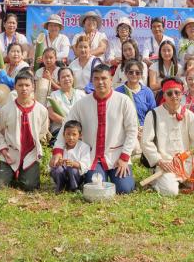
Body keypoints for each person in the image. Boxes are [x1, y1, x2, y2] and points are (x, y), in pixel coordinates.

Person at [53, 65, 139, 194]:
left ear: (111, 79)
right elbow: (66, 126)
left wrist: (124, 157)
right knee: (95, 187)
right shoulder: (82, 104)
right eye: (96, 78)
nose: (100, 82)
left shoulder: (124, 101)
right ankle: (79, 177)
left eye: (104, 78)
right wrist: (58, 151)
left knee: (124, 189)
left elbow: (132, 131)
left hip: (117, 155)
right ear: (92, 81)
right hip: (92, 158)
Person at [140, 78, 194, 197]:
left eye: (177, 92)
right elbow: (146, 142)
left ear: (182, 94)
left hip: (187, 161)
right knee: (171, 192)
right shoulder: (153, 115)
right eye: (169, 93)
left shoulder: (189, 114)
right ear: (164, 95)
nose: (174, 96)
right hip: (167, 164)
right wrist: (159, 161)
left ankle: (185, 182)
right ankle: (158, 182)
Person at [0, 72, 49, 192]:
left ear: (33, 87)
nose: (24, 88)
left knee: (29, 186)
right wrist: (3, 148)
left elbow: (43, 131)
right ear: (15, 87)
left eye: (27, 85)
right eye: (20, 85)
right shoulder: (6, 110)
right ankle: (12, 173)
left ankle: (23, 174)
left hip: (31, 154)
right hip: (10, 152)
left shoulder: (41, 110)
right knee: (0, 184)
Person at [50, 120, 90, 193]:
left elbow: (86, 164)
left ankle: (74, 187)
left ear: (80, 135)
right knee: (58, 170)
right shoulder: (60, 146)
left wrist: (74, 164)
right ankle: (60, 187)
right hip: (63, 174)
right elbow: (51, 163)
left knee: (72, 169)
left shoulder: (84, 147)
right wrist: (57, 163)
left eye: (74, 134)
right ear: (63, 135)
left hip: (76, 176)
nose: (71, 137)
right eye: (68, 134)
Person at [116, 60, 156, 128]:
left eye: (137, 73)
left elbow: (153, 114)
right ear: (126, 73)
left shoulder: (147, 92)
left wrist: (144, 129)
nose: (134, 74)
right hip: (123, 130)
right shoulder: (118, 92)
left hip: (143, 130)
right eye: (131, 72)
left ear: (141, 75)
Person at [47, 66, 84, 138]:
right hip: (60, 129)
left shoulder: (81, 94)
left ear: (73, 77)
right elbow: (51, 113)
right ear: (58, 80)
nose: (66, 79)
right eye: (63, 77)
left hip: (79, 130)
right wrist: (67, 122)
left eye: (68, 76)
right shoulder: (54, 95)